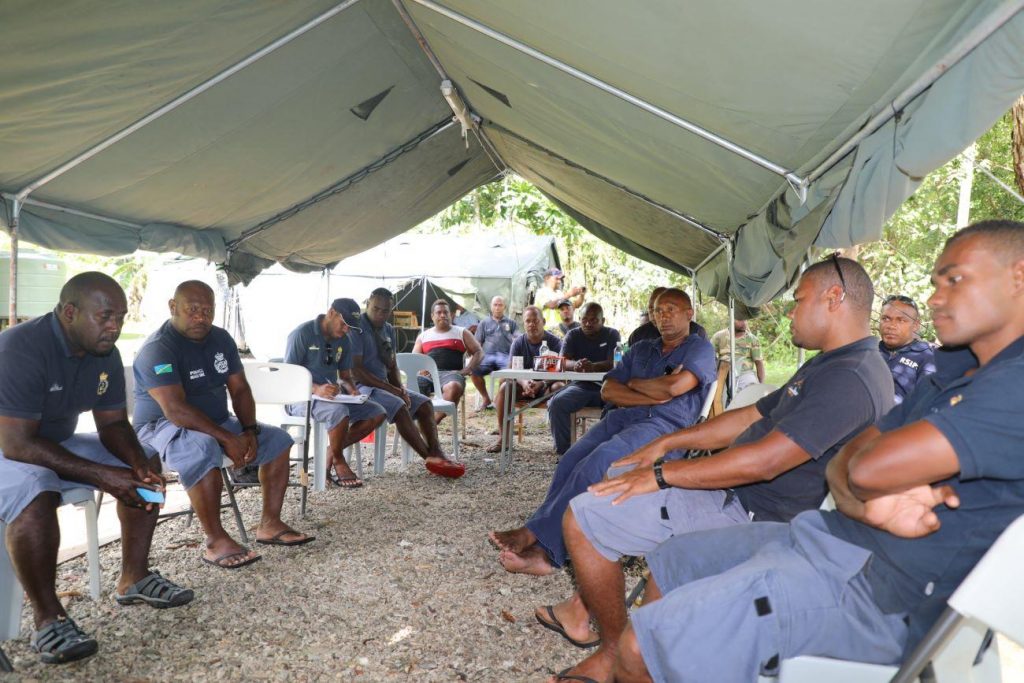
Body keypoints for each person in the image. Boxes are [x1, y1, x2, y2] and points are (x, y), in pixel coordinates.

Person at [609, 221, 1024, 682]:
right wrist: (868, 501)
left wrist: (865, 482)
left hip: (880, 592)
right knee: (673, 562)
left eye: (954, 279)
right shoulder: (956, 371)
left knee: (639, 648)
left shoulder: (1013, 384)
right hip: (827, 536)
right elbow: (849, 467)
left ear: (1018, 277)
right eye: (936, 283)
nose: (935, 299)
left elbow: (866, 466)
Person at [545, 256, 893, 682]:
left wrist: (659, 475)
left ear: (833, 298)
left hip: (755, 515)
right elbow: (748, 417)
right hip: (732, 495)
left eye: (798, 300)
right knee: (601, 502)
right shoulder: (830, 362)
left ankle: (622, 653)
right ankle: (618, 650)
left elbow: (766, 462)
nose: (790, 311)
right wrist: (667, 443)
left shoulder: (852, 377)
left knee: (585, 517)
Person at [0, 273, 193, 664]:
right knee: (37, 487)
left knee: (146, 459)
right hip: (8, 445)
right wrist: (103, 476)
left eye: (121, 318)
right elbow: (17, 444)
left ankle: (134, 578)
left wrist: (136, 466)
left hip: (50, 440)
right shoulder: (20, 349)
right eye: (105, 316)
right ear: (69, 312)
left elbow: (113, 424)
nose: (115, 327)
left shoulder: (104, 351)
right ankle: (48, 618)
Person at [489, 289, 716, 577]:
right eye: (659, 311)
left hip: (663, 428)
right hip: (622, 418)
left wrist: (637, 386)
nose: (664, 316)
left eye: (672, 309)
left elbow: (674, 389)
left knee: (598, 464)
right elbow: (609, 389)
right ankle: (539, 532)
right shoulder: (642, 349)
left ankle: (548, 552)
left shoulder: (699, 348)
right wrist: (649, 388)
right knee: (570, 460)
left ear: (689, 313)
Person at [133, 281, 314, 569]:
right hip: (160, 427)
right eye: (192, 310)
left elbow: (239, 389)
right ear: (173, 307)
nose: (200, 317)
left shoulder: (221, 339)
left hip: (215, 421)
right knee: (203, 446)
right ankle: (215, 540)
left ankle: (270, 523)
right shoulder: (158, 349)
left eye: (207, 310)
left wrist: (249, 430)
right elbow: (175, 409)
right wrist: (227, 439)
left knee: (279, 440)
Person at [349, 288, 465, 478]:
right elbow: (358, 372)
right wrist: (393, 390)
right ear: (368, 303)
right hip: (362, 388)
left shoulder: (388, 329)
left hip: (383, 386)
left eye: (385, 311)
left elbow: (392, 364)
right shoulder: (357, 328)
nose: (380, 314)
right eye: (376, 309)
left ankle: (437, 452)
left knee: (425, 404)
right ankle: (430, 458)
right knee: (400, 406)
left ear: (391, 309)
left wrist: (400, 389)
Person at [283, 298, 387, 488]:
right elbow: (288, 376)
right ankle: (339, 460)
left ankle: (329, 453)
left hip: (332, 399)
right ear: (331, 313)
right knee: (338, 412)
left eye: (350, 327)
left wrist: (352, 389)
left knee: (377, 411)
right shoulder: (302, 334)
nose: (346, 330)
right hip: (301, 397)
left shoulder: (344, 340)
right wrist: (316, 388)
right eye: (344, 324)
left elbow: (345, 375)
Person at [485, 306, 563, 453]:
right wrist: (524, 382)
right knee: (504, 388)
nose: (532, 324)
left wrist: (542, 383)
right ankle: (504, 439)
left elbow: (561, 373)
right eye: (528, 321)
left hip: (547, 387)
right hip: (523, 387)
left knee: (559, 386)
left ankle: (560, 442)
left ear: (543, 321)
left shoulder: (555, 342)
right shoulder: (518, 343)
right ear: (524, 324)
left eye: (535, 321)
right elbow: (510, 371)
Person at [546, 302, 620, 455]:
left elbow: (614, 362)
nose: (588, 323)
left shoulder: (612, 334)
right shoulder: (573, 334)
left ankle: (608, 452)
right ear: (579, 319)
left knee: (619, 405)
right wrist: (576, 365)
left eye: (594, 320)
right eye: (584, 319)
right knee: (557, 403)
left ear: (603, 321)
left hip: (607, 386)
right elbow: (563, 361)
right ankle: (564, 453)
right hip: (580, 387)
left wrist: (593, 366)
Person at [412, 299, 483, 422]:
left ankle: (432, 422)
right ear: (432, 316)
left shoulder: (461, 332)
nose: (443, 315)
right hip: (428, 376)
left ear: (451, 315)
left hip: (451, 375)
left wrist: (468, 369)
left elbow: (479, 352)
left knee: (454, 387)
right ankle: (418, 425)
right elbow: (414, 359)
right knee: (411, 389)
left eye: (446, 312)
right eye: (439, 312)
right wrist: (421, 368)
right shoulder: (423, 336)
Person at [878, 294, 936, 404]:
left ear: (916, 325)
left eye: (901, 320)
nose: (891, 326)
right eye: (886, 318)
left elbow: (925, 404)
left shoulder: (927, 359)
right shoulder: (869, 352)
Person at [471, 295, 517, 411]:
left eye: (500, 305)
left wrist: (514, 339)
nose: (497, 307)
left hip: (505, 357)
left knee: (508, 372)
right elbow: (477, 343)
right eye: (495, 305)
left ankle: (497, 400)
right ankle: (486, 398)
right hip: (487, 357)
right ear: (491, 307)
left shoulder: (511, 323)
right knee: (473, 370)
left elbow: (518, 338)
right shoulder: (484, 323)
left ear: (504, 307)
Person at [628, 286, 708, 345]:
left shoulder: (696, 332)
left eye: (669, 310)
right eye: (652, 309)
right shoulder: (638, 335)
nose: (656, 315)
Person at [711, 318, 766, 393]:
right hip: (723, 373)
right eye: (740, 319)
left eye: (745, 319)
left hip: (745, 374)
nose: (744, 323)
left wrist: (761, 385)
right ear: (731, 318)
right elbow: (709, 356)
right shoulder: (719, 336)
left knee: (751, 393)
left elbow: (759, 363)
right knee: (716, 394)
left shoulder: (752, 339)